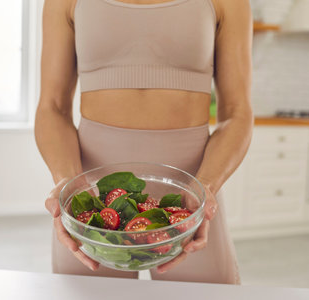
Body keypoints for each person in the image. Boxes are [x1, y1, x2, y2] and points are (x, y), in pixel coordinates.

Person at [34, 0, 253, 284]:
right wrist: (67, 182)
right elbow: (52, 107)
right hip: (90, 192)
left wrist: (206, 186)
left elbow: (237, 113)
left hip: (193, 191)